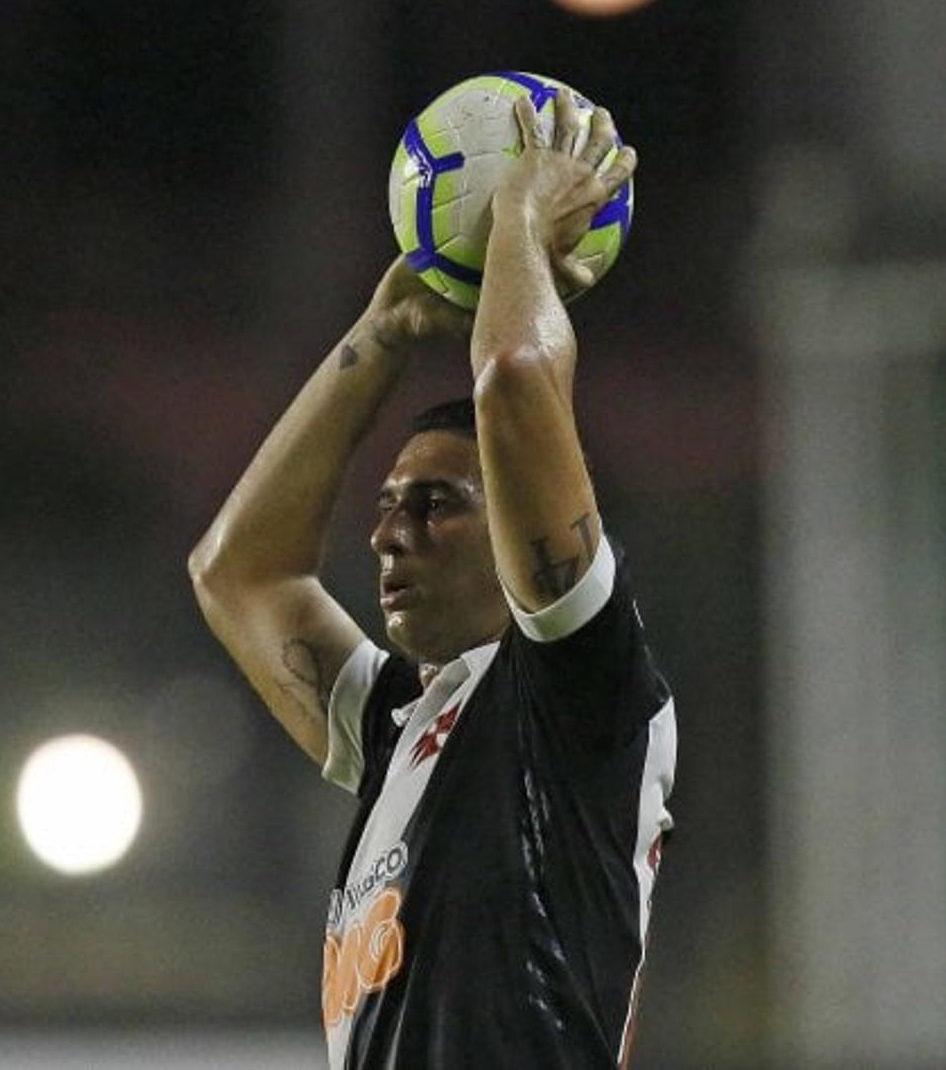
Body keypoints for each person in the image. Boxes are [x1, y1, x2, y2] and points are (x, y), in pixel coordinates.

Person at [188, 86, 676, 1068]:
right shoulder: (402, 725)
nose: (390, 534)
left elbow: (516, 381)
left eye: (437, 502)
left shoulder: (578, 694)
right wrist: (381, 334)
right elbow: (237, 571)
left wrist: (519, 217)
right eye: (386, 506)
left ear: (524, 525)